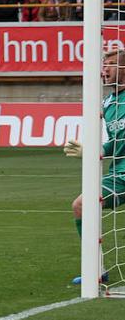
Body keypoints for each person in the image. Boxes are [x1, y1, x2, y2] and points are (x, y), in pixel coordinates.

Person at [63, 49, 125, 285]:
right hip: (119, 174)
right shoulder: (108, 103)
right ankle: (96, 268)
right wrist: (93, 149)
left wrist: (93, 152)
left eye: (111, 64)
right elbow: (116, 141)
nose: (105, 69)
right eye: (104, 64)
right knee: (81, 205)